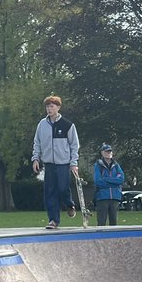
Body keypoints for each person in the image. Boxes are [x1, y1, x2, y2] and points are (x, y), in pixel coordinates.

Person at [31, 95, 79, 229]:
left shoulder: (68, 125)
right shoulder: (42, 125)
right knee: (50, 192)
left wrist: (73, 163)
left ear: (58, 107)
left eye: (51, 106)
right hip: (49, 163)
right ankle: (53, 220)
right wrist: (35, 158)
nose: (49, 109)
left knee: (63, 188)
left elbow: (74, 145)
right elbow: (37, 142)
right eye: (47, 107)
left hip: (63, 163)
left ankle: (69, 204)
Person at [92, 143, 125, 226]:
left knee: (114, 222)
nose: (109, 153)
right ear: (102, 153)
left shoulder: (116, 165)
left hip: (115, 197)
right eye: (106, 151)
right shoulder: (98, 165)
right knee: (101, 222)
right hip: (102, 197)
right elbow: (98, 181)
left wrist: (106, 179)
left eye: (110, 151)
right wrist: (114, 184)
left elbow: (121, 179)